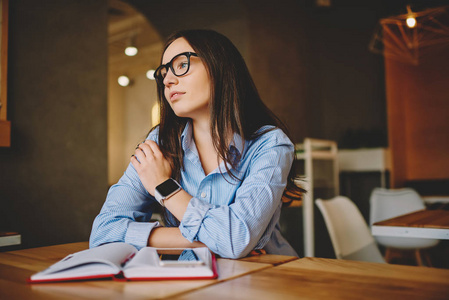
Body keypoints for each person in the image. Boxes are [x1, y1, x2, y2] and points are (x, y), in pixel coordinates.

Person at [90, 29, 305, 259]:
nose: (168, 80)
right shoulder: (159, 143)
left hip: (264, 278)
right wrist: (202, 242)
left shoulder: (270, 144)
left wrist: (164, 187)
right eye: (163, 73)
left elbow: (236, 238)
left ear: (219, 66)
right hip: (185, 282)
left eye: (181, 65)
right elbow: (103, 233)